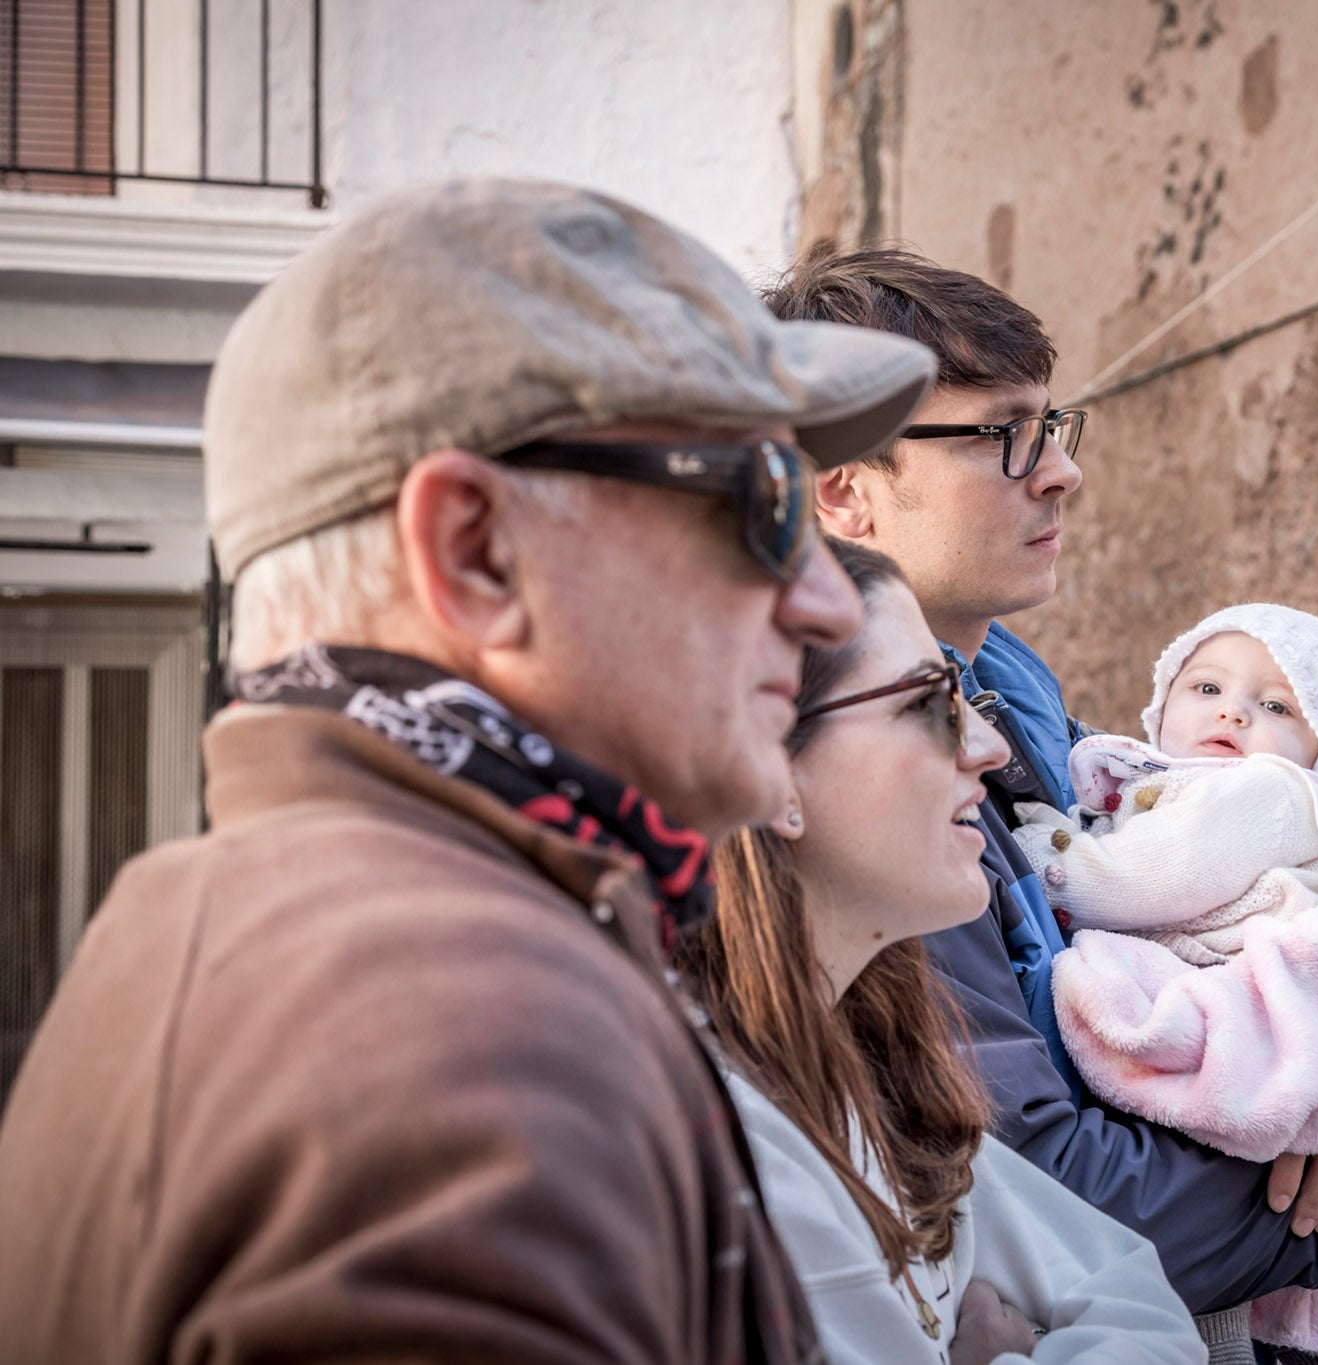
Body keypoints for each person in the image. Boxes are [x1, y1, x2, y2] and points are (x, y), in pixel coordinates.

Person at [0, 177, 940, 1363]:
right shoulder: (466, 1036)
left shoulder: (227, 912)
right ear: (476, 552)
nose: (817, 599)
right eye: (762, 504)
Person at [764, 247, 1318, 1364]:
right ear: (844, 488)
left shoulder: (1021, 694)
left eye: (1052, 428)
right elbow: (1058, 1195)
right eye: (1004, 436)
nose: (1058, 474)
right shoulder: (858, 787)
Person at [676, 539, 1204, 1365]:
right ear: (767, 771)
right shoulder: (730, 1142)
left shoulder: (860, 1067)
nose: (989, 748)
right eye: (930, 703)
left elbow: (1135, 1287)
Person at [1014, 603, 1318, 1355]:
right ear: (1162, 708)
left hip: (1243, 994)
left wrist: (1032, 849)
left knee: (1221, 1300)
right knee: (1234, 1291)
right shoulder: (1164, 785)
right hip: (1218, 981)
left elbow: (1134, 881)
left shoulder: (1265, 792)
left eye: (1276, 705)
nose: (1233, 710)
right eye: (1205, 688)